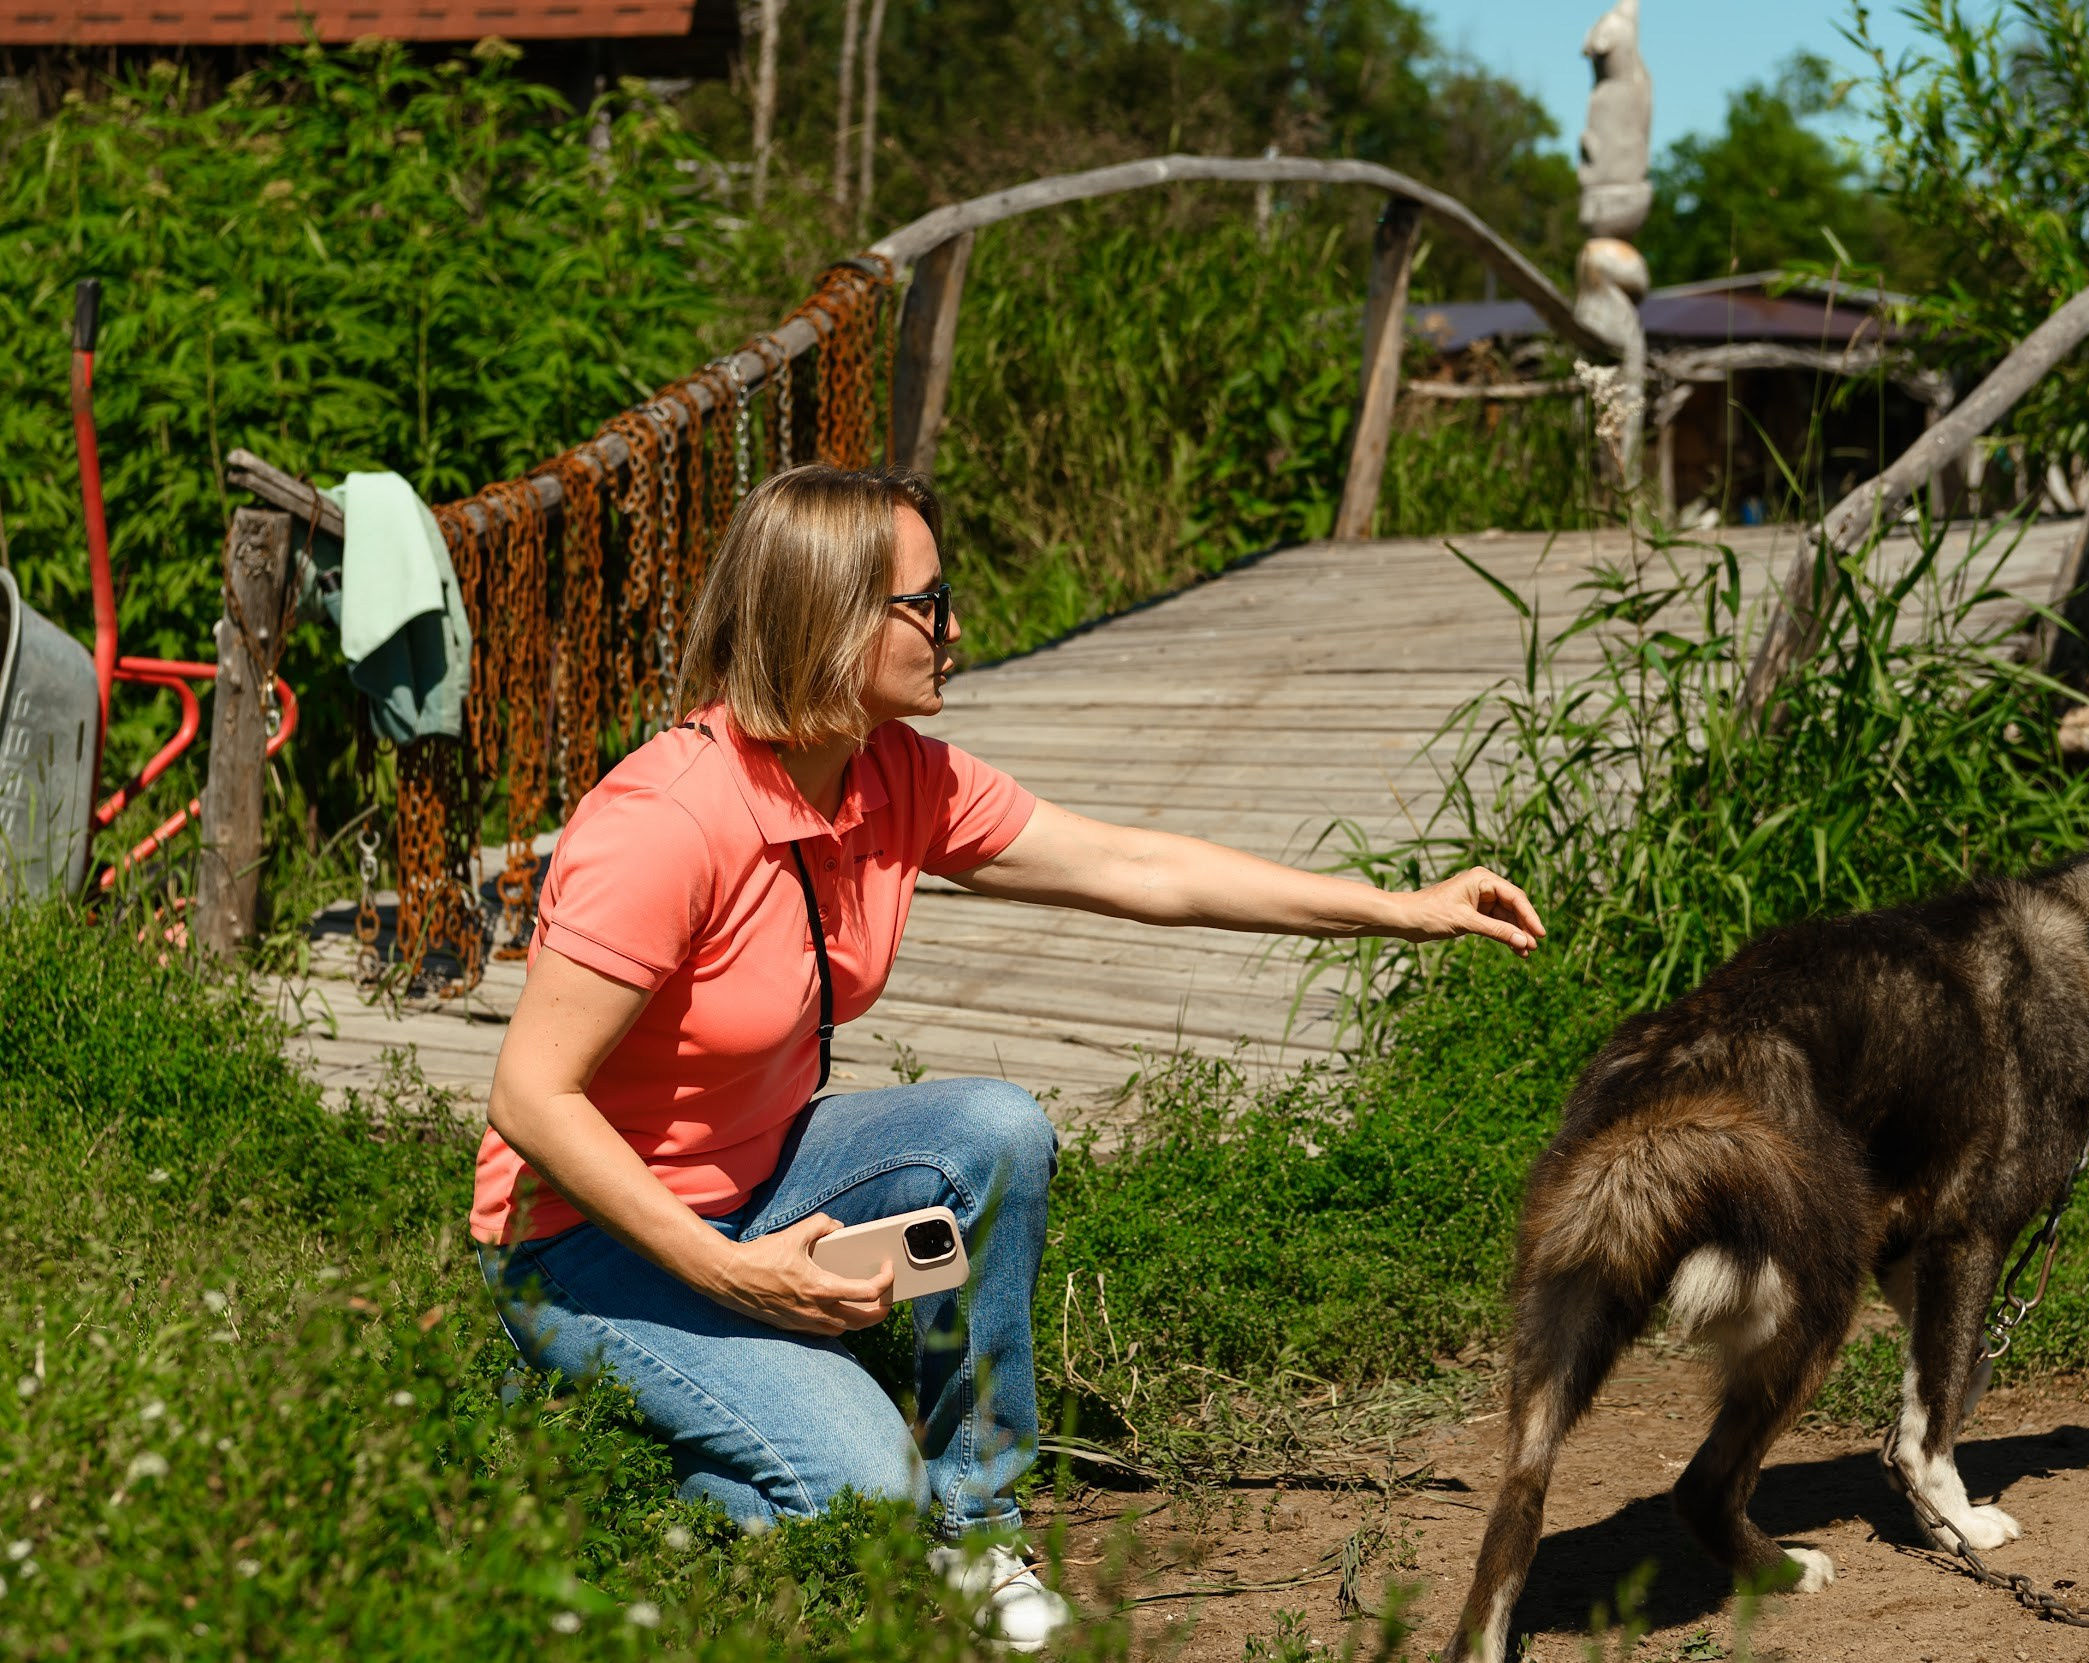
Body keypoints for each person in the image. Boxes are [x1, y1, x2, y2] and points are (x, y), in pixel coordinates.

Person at [474, 467, 1544, 1649]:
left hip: (763, 1177)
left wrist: (1402, 906)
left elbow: (1142, 869)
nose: (955, 629)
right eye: (926, 605)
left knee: (991, 1131)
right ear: (832, 617)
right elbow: (529, 1093)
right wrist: (731, 1280)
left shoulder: (894, 774)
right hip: (582, 1244)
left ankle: (972, 1527)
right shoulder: (665, 823)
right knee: (863, 1502)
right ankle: (585, 1454)